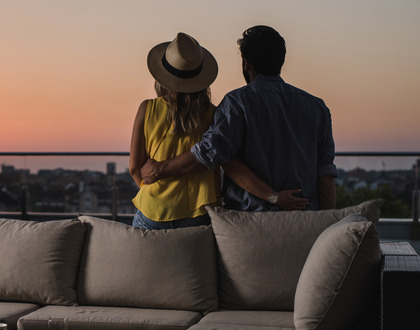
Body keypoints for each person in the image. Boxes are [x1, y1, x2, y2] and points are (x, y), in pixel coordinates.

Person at [139, 25, 338, 211]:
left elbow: (209, 152)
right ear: (281, 60)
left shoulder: (237, 102)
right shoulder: (316, 107)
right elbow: (325, 174)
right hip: (305, 219)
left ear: (246, 62)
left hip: (249, 220)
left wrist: (158, 170)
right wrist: (328, 223)